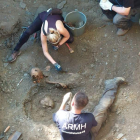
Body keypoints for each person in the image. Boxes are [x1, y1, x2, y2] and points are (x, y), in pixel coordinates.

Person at [53, 77, 126, 140]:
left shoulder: (60, 116)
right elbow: (94, 124)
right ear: (84, 106)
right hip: (89, 136)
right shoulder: (89, 117)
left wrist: (64, 101)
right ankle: (111, 84)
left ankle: (68, 105)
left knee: (63, 113)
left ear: (72, 103)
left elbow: (58, 114)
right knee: (101, 109)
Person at [7, 8, 74, 71]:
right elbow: (45, 52)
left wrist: (59, 44)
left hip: (54, 16)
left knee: (71, 39)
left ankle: (53, 29)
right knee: (27, 32)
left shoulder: (61, 29)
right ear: (47, 39)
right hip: (43, 17)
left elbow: (67, 36)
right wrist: (55, 64)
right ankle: (15, 50)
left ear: (59, 35)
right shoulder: (43, 33)